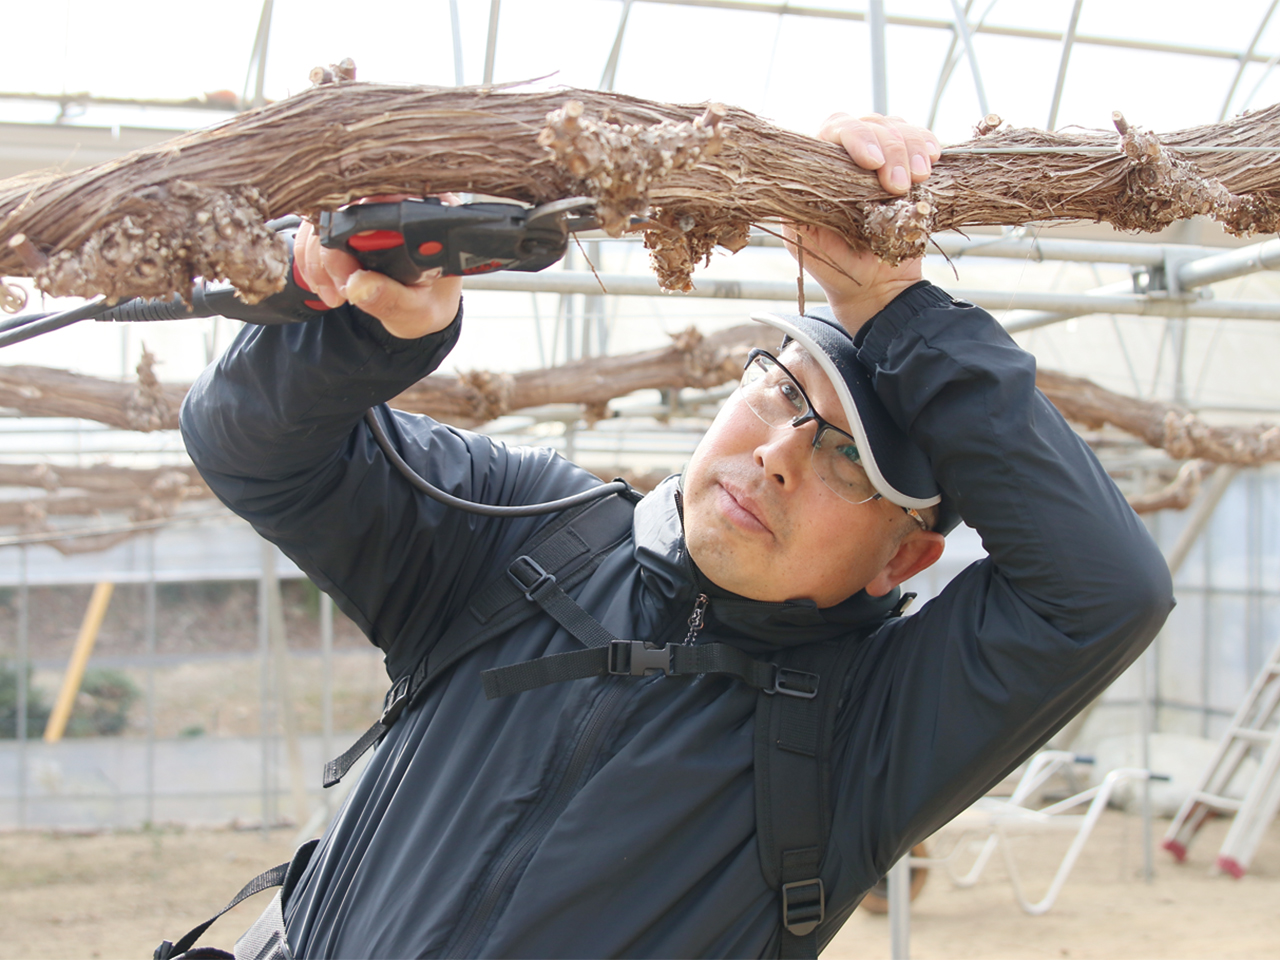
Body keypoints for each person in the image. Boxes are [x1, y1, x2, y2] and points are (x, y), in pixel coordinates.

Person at [180, 113, 1173, 958]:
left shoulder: (866, 731)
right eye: (780, 391)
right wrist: (363, 331)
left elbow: (1105, 594)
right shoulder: (523, 534)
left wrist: (896, 310)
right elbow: (254, 447)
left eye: (844, 463)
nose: (777, 453)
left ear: (903, 560)